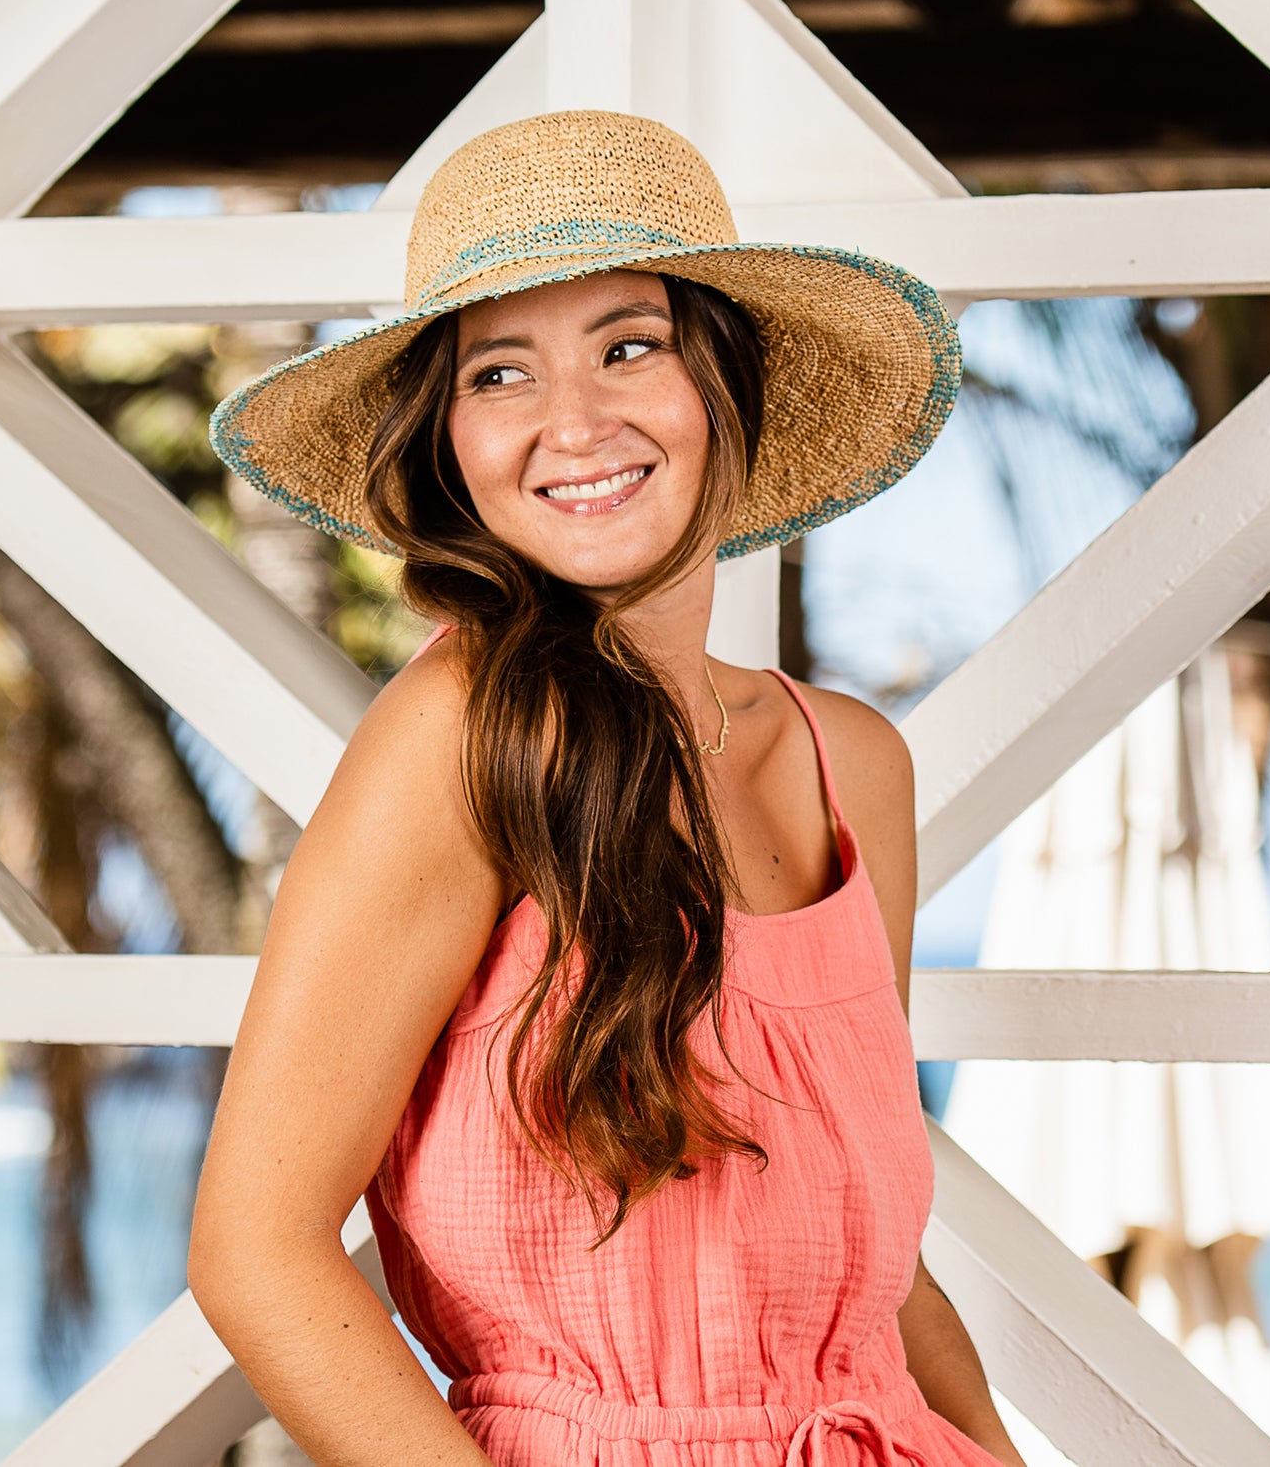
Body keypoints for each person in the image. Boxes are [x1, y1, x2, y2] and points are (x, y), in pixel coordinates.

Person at [191, 109, 1025, 1467]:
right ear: (445, 441)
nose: (574, 424)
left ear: (722, 384)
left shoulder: (852, 765)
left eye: (629, 347)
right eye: (499, 374)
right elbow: (255, 1250)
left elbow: (860, 1256)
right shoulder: (459, 744)